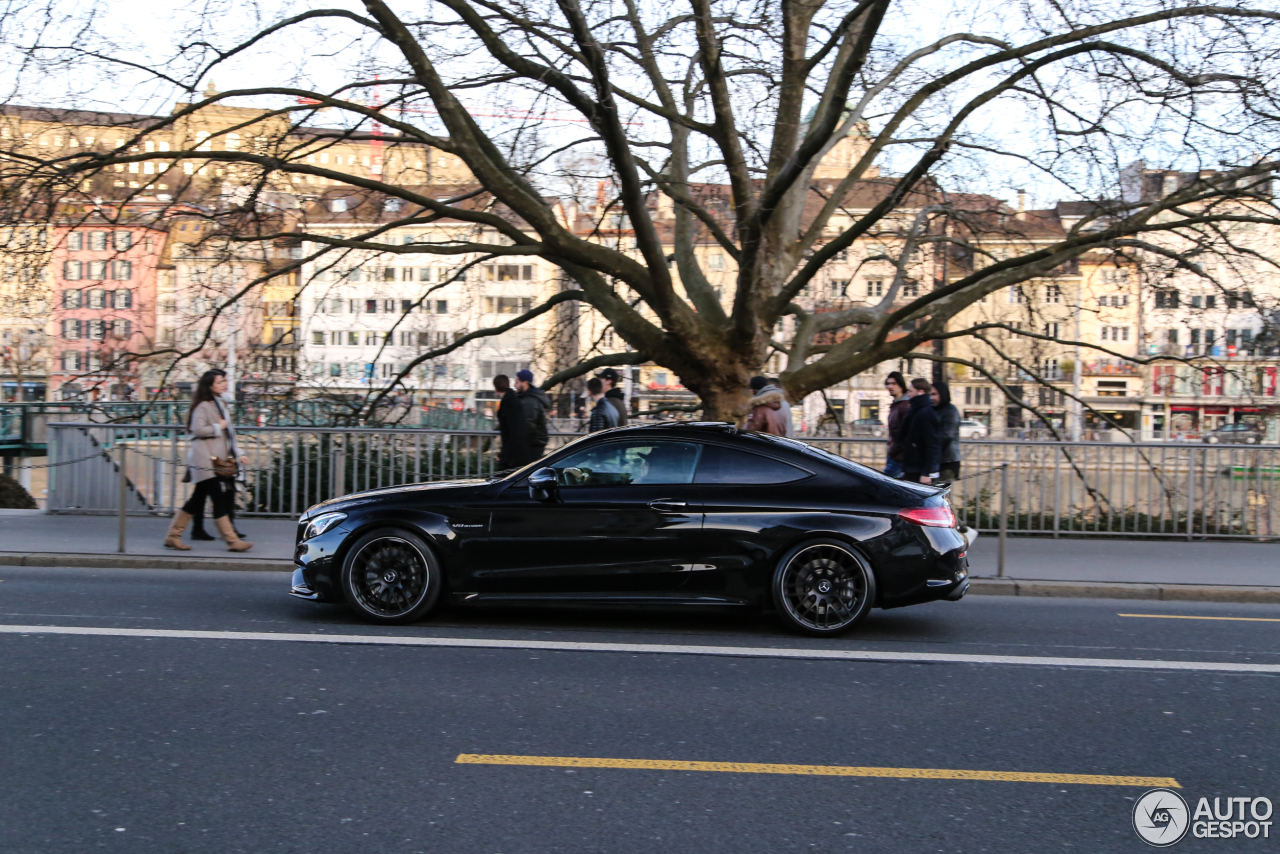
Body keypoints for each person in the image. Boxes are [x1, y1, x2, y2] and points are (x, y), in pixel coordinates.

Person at [163, 370, 253, 552]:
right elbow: (197, 429)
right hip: (204, 459)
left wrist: (238, 452)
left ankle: (173, 536)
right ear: (209, 385)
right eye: (220, 382)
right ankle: (231, 540)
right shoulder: (203, 405)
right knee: (217, 499)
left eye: (224, 381)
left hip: (213, 460)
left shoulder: (219, 403)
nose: (224, 384)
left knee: (196, 500)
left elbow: (229, 435)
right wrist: (218, 427)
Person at [900, 377, 941, 485]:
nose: (908, 394)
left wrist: (926, 473)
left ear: (920, 392)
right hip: (913, 467)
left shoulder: (926, 413)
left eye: (910, 391)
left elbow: (933, 445)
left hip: (919, 470)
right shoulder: (915, 411)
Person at [493, 374, 533, 469]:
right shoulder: (511, 399)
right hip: (515, 454)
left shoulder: (509, 402)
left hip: (513, 456)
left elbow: (513, 431)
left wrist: (507, 456)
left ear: (496, 388)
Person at [515, 369, 552, 460]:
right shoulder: (528, 398)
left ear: (525, 383)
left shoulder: (529, 401)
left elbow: (528, 425)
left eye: (517, 382)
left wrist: (520, 444)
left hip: (532, 446)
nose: (515, 385)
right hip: (533, 444)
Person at [931, 379, 961, 482]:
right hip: (935, 461)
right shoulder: (933, 410)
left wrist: (927, 443)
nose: (932, 398)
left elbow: (947, 435)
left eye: (934, 394)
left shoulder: (951, 411)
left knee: (939, 494)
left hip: (947, 461)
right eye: (930, 394)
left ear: (942, 394)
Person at [884, 371, 911, 478]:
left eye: (894, 383)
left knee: (885, 486)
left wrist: (894, 451)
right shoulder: (896, 405)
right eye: (888, 383)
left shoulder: (905, 405)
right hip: (894, 455)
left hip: (899, 457)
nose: (890, 386)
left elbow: (906, 433)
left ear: (901, 386)